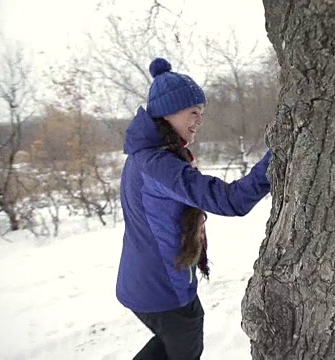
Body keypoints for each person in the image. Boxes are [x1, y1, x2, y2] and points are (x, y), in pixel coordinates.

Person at [116, 57, 271, 360]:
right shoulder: (159, 165)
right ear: (168, 112)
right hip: (162, 289)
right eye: (194, 112)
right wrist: (277, 156)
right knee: (185, 346)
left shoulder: (145, 156)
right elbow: (230, 200)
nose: (200, 120)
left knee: (172, 344)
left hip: (142, 284)